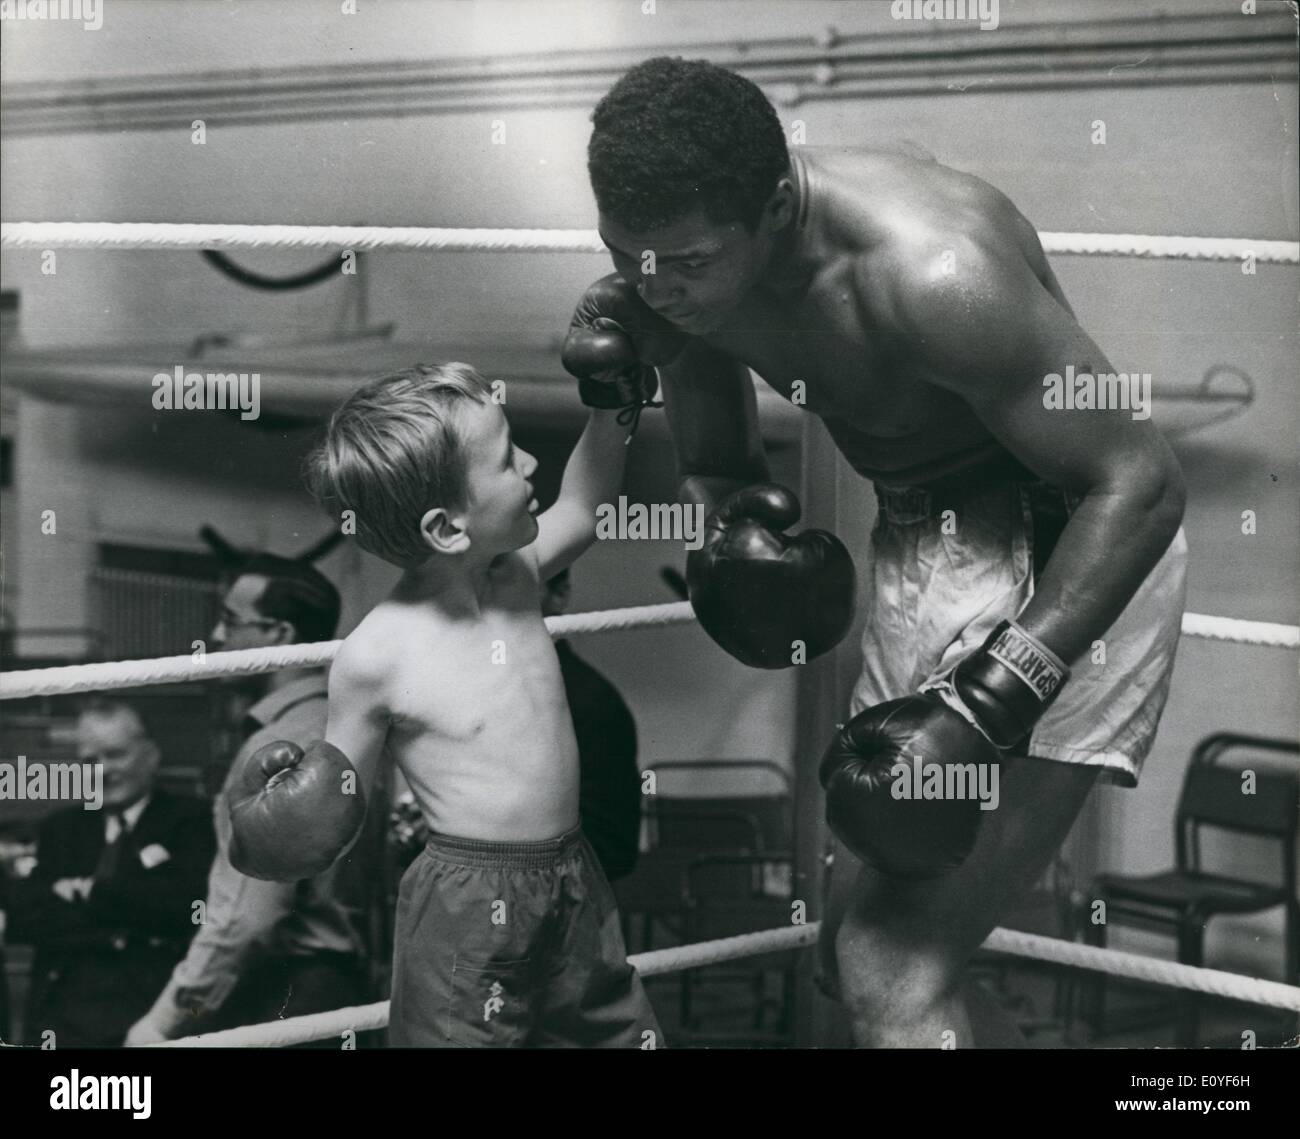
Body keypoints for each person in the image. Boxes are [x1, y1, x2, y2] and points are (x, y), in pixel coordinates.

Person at [562, 57, 1187, 1048]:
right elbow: (721, 459)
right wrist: (732, 532)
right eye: (626, 257)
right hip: (916, 541)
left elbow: (1140, 481)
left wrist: (991, 698)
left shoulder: (936, 275)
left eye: (682, 264)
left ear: (774, 206)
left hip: (1069, 553)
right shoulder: (692, 271)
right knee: (847, 950)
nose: (656, 291)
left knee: (889, 966)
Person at [230, 362, 660, 1048]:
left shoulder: (516, 573)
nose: (531, 461)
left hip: (571, 873)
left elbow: (582, 504)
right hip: (465, 897)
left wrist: (613, 407)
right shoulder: (378, 654)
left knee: (611, 1033)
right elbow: (336, 803)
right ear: (447, 527)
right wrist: (272, 826)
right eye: (505, 458)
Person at [126, 554, 371, 1044]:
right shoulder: (351, 726)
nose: (217, 636)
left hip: (286, 988)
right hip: (346, 985)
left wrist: (160, 1024)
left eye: (231, 621)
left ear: (279, 634)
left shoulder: (274, 746)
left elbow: (247, 918)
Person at [7, 698, 214, 1046]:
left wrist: (89, 893)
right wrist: (123, 930)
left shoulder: (190, 822)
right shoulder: (61, 829)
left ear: (151, 755)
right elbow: (25, 916)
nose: (101, 770)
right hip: (62, 1018)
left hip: (154, 1019)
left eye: (115, 754)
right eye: (90, 760)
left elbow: (186, 906)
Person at [542, 569, 641, 882]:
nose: (483, 597)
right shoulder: (474, 685)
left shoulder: (590, 700)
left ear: (558, 594)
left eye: (504, 580)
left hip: (547, 915)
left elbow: (612, 849)